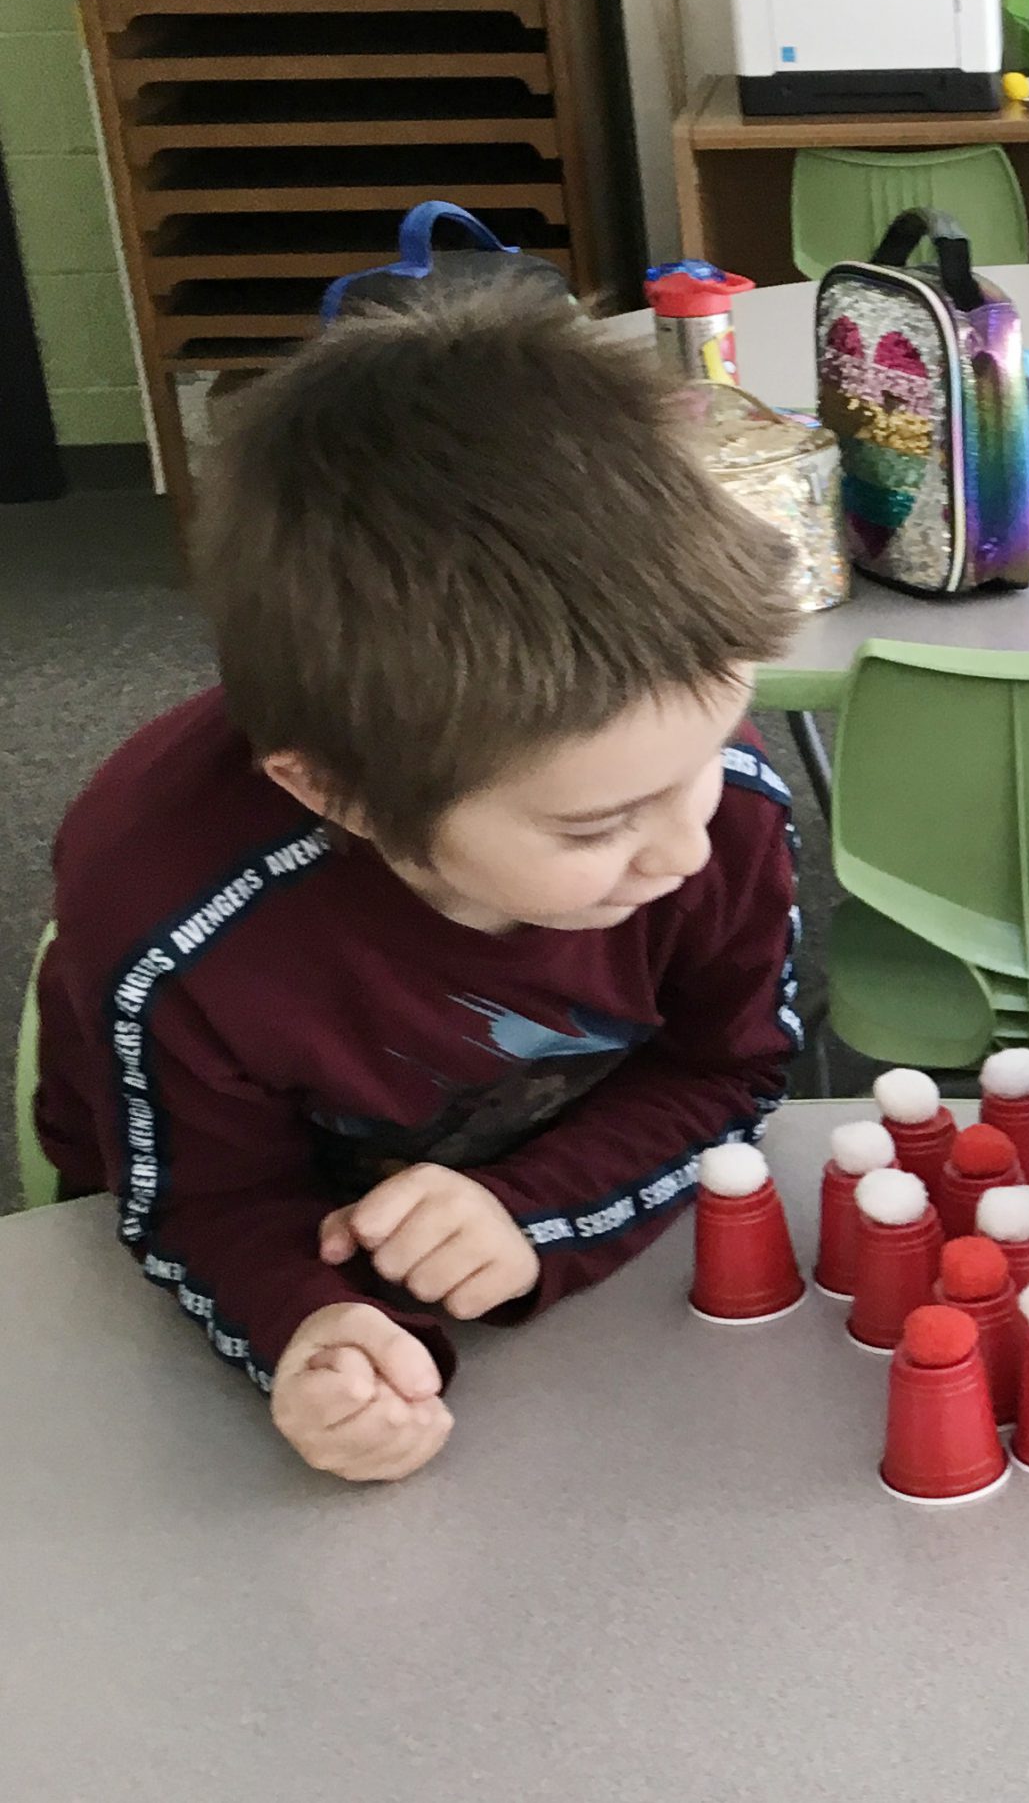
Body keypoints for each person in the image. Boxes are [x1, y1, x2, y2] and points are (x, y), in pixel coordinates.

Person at [34, 285, 805, 1484]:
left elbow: (734, 1064)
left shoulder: (720, 804)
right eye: (596, 824)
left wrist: (530, 1211)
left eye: (709, 753)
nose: (683, 851)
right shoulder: (174, 923)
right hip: (253, 1211)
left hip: (555, 1235)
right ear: (334, 791)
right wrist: (311, 1327)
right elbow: (197, 1201)